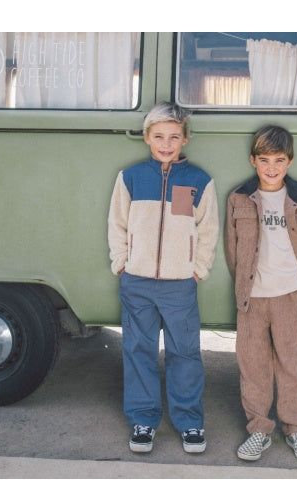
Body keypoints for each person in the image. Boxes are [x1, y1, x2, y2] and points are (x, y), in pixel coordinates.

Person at [107, 102, 219, 454]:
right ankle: (143, 419)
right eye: (159, 136)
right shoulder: (131, 178)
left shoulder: (199, 181)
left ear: (185, 139)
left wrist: (198, 269)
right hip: (137, 282)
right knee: (138, 350)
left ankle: (189, 422)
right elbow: (117, 224)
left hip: (179, 284)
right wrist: (121, 263)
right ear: (147, 138)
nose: (166, 144)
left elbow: (207, 230)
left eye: (173, 136)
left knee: (184, 353)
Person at [224, 125, 297, 462]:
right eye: (264, 160)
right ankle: (259, 429)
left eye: (279, 160)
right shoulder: (239, 199)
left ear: (289, 162)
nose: (271, 167)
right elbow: (232, 250)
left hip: (291, 293)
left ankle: (295, 428)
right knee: (253, 365)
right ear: (253, 161)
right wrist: (243, 287)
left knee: (291, 364)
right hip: (253, 297)